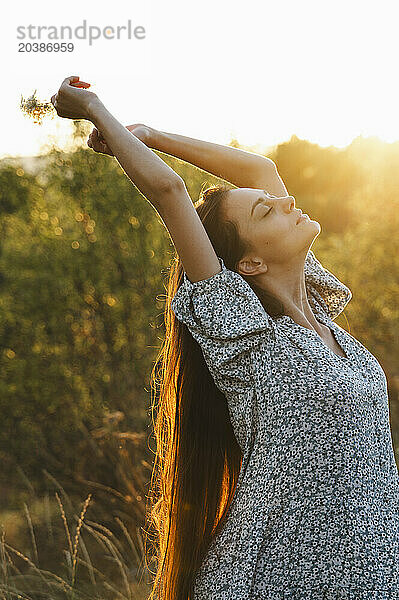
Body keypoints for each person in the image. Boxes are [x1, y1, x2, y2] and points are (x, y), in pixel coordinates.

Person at [51, 76, 399, 600]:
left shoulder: (318, 306)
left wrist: (152, 133)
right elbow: (170, 193)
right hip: (274, 581)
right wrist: (96, 108)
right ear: (250, 262)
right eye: (266, 210)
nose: (284, 202)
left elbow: (261, 171)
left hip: (368, 578)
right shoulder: (246, 335)